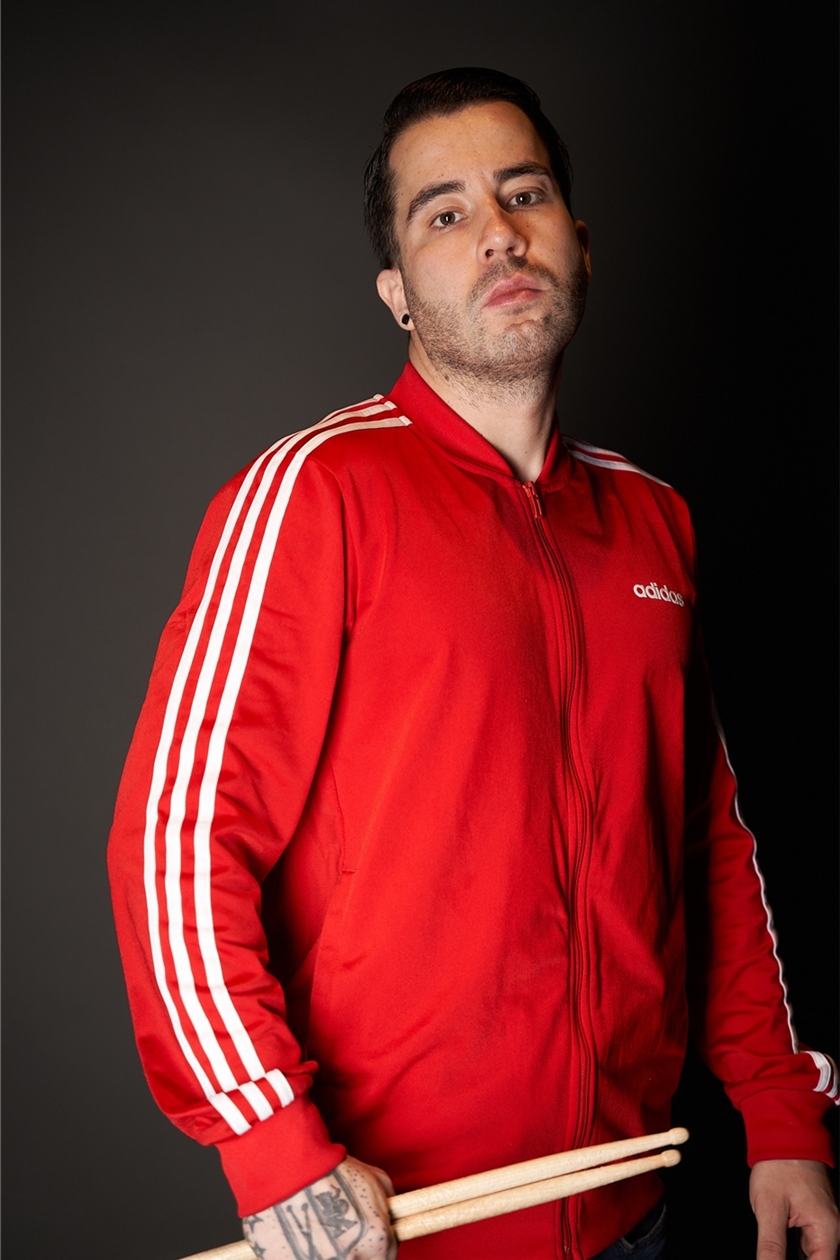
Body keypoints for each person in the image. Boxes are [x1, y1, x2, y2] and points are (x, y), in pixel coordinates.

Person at [107, 68, 840, 1260]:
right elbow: (177, 847)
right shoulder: (311, 496)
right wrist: (274, 1147)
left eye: (523, 193)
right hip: (391, 1226)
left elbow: (705, 840)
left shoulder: (655, 522)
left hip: (635, 1213)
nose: (496, 230)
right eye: (443, 212)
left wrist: (780, 1109)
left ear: (579, 244)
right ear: (397, 292)